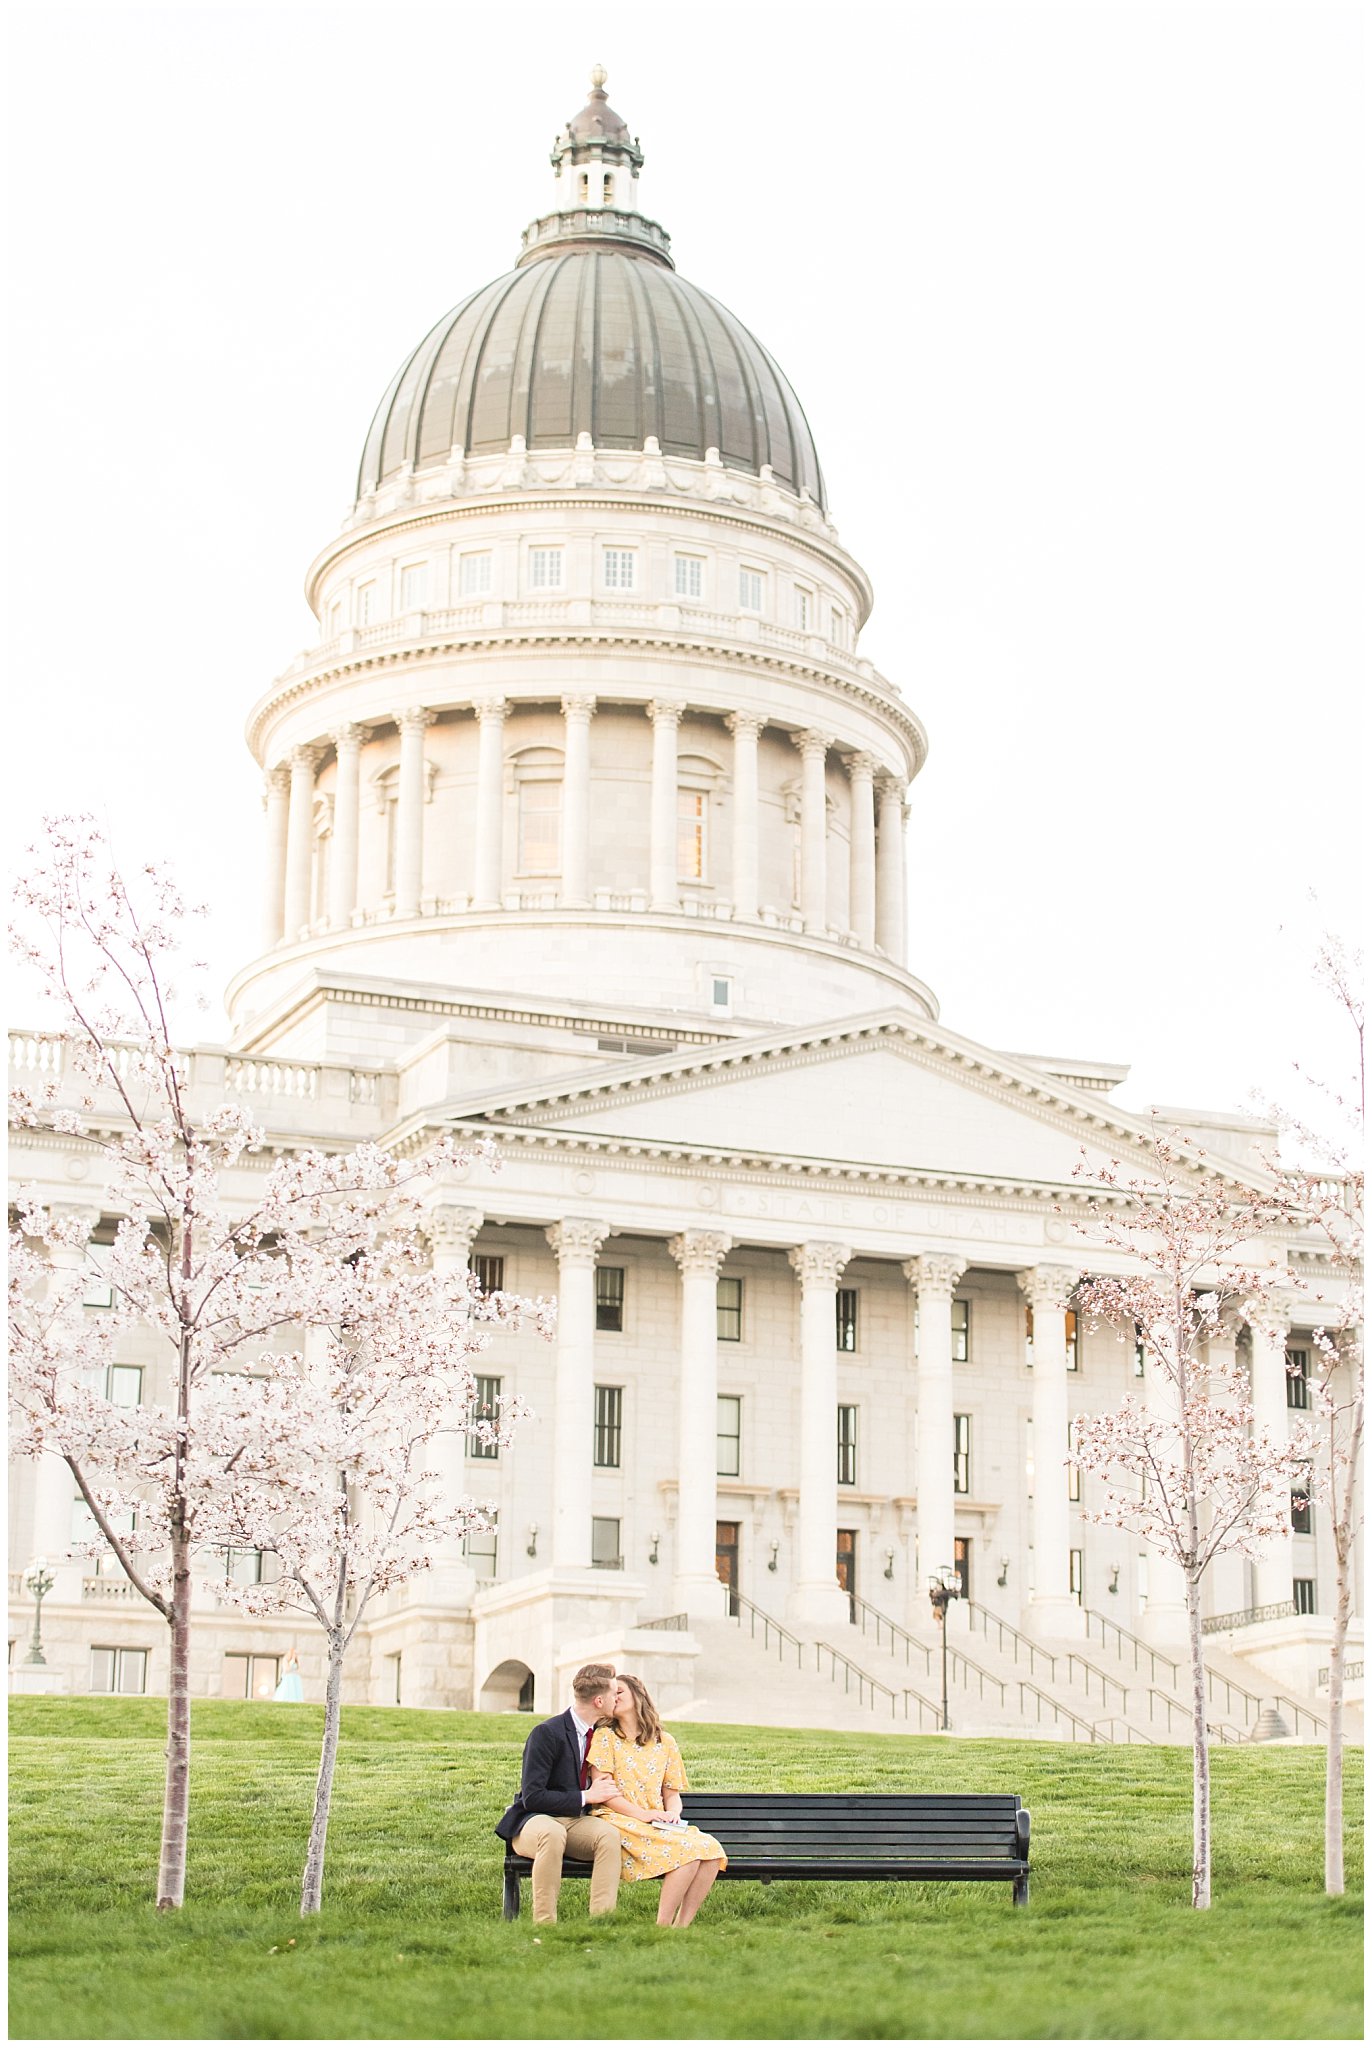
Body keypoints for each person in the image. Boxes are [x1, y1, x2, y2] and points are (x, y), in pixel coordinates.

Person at [586, 1673, 726, 1928]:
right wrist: (644, 1815)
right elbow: (605, 1792)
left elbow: (672, 1794)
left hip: (657, 1822)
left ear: (638, 1697)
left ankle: (681, 1927)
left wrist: (672, 1814)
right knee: (689, 1852)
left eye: (619, 1692)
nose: (613, 1697)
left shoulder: (665, 1741)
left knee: (712, 1850)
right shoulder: (605, 1737)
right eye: (610, 1694)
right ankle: (663, 1926)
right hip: (618, 1820)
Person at [493, 1662, 623, 1924]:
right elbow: (533, 1796)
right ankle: (545, 1924)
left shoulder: (601, 1734)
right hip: (534, 1820)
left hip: (573, 1821)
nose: (616, 1698)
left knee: (609, 1836)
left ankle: (601, 1923)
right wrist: (587, 1796)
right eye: (613, 1693)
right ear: (599, 1700)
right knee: (552, 1834)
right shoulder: (546, 1733)